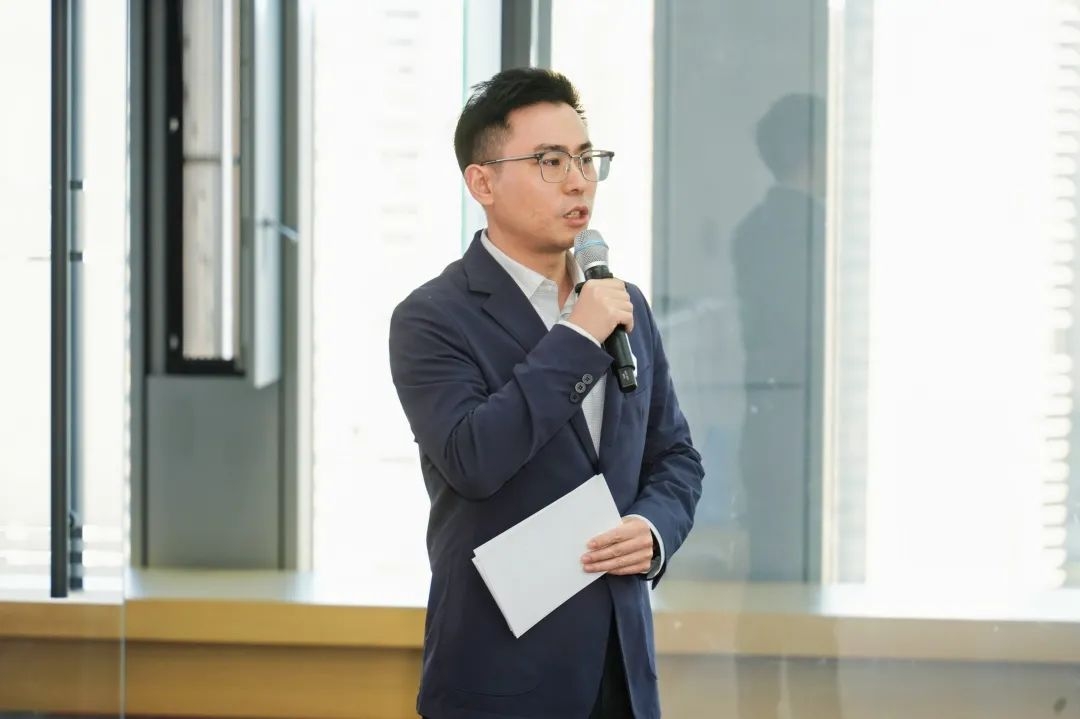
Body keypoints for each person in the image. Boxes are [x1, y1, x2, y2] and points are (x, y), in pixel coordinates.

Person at [389, 67, 704, 719]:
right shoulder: (432, 317)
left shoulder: (623, 303)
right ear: (483, 183)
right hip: (501, 678)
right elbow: (474, 459)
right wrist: (578, 336)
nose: (578, 180)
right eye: (550, 161)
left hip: (623, 674)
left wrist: (653, 530)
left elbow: (675, 456)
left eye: (586, 159)